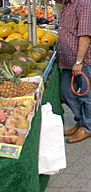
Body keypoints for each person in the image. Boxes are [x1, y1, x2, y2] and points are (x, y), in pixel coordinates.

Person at [56, 0, 91, 143]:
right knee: (65, 92)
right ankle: (81, 120)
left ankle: (87, 127)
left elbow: (85, 35)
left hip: (83, 61)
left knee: (87, 96)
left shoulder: (85, 3)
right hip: (67, 60)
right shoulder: (67, 3)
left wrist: (79, 61)